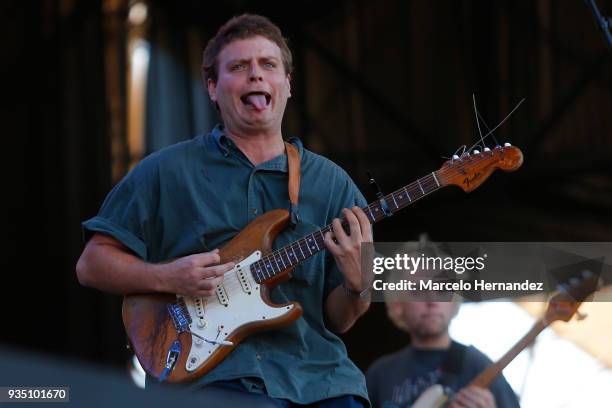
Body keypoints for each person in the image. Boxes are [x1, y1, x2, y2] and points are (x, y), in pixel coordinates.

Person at [76, 14, 372, 408]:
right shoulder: (166, 171)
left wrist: (358, 285)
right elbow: (91, 265)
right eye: (238, 67)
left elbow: (342, 318)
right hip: (213, 381)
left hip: (322, 383)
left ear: (288, 85)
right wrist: (168, 277)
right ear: (213, 88)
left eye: (268, 65)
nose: (256, 76)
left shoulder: (333, 184)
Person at [366, 238, 520, 408]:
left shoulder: (478, 365)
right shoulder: (379, 374)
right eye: (418, 290)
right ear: (397, 305)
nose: (432, 299)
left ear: (454, 301)